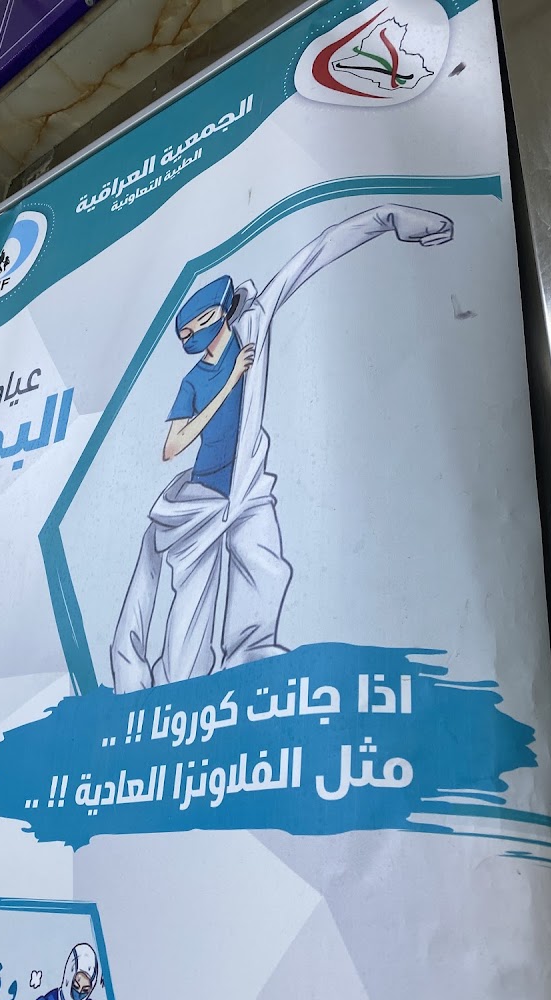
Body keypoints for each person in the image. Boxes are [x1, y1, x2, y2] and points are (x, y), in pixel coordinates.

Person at [111, 203, 454, 692]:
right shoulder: (195, 380)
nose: (194, 336)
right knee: (187, 631)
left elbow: (312, 255)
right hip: (202, 503)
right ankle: (173, 690)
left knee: (262, 572)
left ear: (223, 313)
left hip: (248, 487)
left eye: (201, 323)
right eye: (187, 332)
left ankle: (251, 668)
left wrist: (390, 217)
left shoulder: (253, 322)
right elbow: (173, 446)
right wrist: (231, 380)